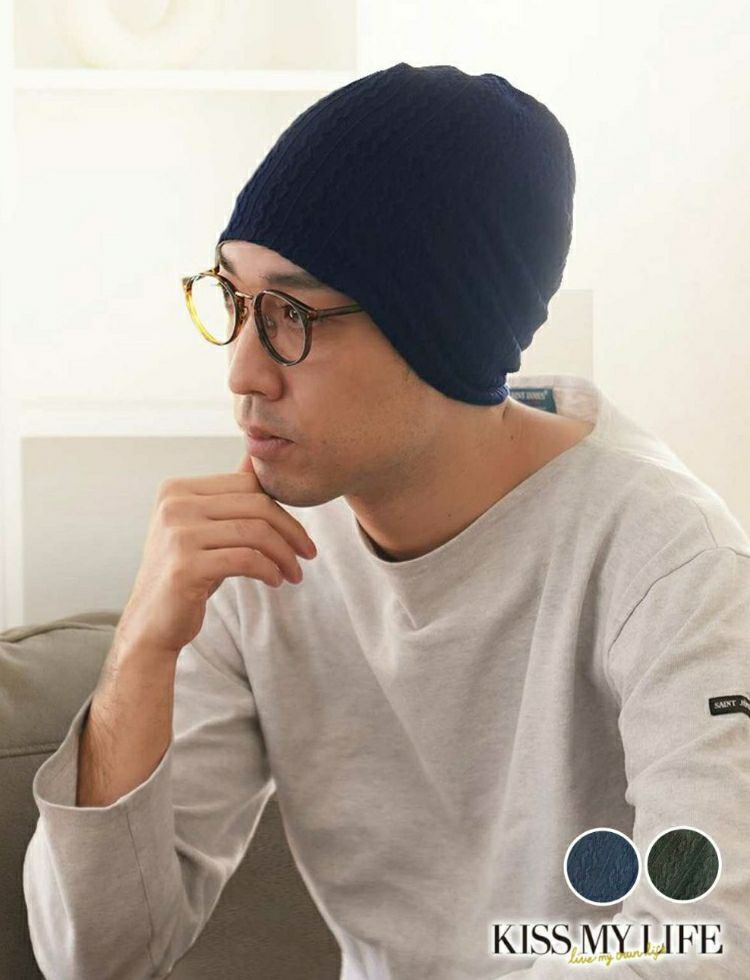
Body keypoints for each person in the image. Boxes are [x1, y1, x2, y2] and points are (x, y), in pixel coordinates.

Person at [23, 62, 750, 980]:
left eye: (291, 313)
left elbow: (713, 942)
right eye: (235, 300)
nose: (243, 370)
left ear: (444, 328)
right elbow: (94, 957)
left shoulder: (670, 563)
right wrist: (140, 649)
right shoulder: (255, 548)